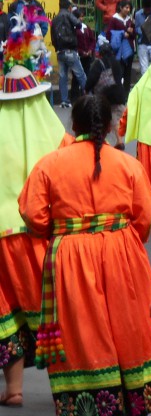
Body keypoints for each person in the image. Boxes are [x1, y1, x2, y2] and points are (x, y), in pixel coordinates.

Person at [19, 94, 151, 414]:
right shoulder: (128, 165)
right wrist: (122, 238)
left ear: (73, 125)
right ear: (107, 126)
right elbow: (143, 218)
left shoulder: (50, 163)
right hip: (121, 250)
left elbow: (33, 214)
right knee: (127, 323)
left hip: (71, 255)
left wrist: (61, 231)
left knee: (83, 330)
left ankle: (90, 401)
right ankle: (133, 394)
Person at [0, 32, 71, 408]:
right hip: (38, 232)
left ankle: (13, 388)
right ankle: (67, 385)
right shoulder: (56, 133)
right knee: (52, 312)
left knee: (6, 313)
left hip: (0, 235)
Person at [52, 0, 88, 108]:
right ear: (69, 7)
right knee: (81, 75)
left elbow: (53, 36)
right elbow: (78, 24)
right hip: (70, 50)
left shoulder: (54, 19)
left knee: (63, 77)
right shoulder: (68, 14)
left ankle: (64, 101)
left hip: (60, 51)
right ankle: (90, 96)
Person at [106, 0, 135, 90]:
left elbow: (134, 36)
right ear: (121, 8)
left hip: (129, 50)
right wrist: (123, 33)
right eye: (126, 7)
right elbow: (109, 34)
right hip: (118, 51)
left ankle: (126, 94)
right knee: (119, 72)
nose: (128, 10)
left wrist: (131, 32)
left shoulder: (130, 20)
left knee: (128, 73)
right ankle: (118, 93)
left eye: (129, 8)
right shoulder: (114, 20)